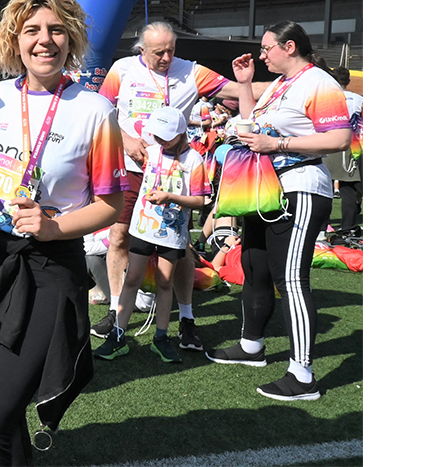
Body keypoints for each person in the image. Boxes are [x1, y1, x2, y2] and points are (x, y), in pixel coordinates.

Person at [0, 0, 127, 465]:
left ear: (71, 38)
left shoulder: (95, 110)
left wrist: (54, 227)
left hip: (49, 269)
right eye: (32, 30)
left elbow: (112, 202)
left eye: (55, 30)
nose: (44, 40)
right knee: (3, 411)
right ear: (15, 39)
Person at [205, 20, 351, 402]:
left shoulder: (318, 82)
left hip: (300, 186)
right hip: (264, 187)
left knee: (291, 279)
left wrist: (278, 144)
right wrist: (244, 82)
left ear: (289, 47)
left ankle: (302, 375)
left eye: (266, 49)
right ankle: (251, 346)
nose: (261, 54)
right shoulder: (280, 84)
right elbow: (252, 126)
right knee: (253, 265)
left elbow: (339, 138)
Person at [94, 21, 250, 350]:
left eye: (171, 50)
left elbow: (235, 92)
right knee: (119, 235)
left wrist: (274, 84)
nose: (167, 57)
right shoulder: (121, 69)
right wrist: (124, 139)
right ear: (142, 50)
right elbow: (101, 110)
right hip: (130, 168)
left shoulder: (192, 72)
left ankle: (187, 318)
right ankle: (115, 309)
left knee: (179, 249)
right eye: (158, 52)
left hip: (175, 172)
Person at [93, 106, 210, 363]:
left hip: (172, 234)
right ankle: (118, 335)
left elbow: (201, 200)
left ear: (181, 132)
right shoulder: (151, 153)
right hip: (142, 228)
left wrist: (170, 197)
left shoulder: (194, 160)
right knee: (132, 278)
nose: (160, 139)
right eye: (157, 134)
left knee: (165, 282)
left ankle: (161, 336)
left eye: (166, 135)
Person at [329, 67, 363, 238]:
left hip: (326, 143)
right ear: (348, 81)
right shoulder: (358, 100)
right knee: (348, 188)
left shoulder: (325, 99)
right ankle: (347, 226)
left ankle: (321, 227)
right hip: (350, 145)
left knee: (325, 187)